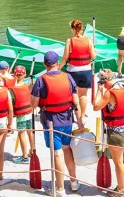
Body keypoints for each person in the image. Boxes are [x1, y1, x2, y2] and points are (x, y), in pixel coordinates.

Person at [30, 51, 83, 197]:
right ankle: (74, 182)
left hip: (51, 122)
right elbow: (76, 101)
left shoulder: (41, 80)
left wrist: (32, 94)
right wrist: (79, 122)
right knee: (67, 149)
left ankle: (60, 189)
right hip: (67, 119)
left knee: (57, 153)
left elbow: (33, 104)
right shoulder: (68, 77)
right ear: (58, 63)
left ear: (44, 65)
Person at [93, 69, 124, 196]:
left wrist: (98, 91)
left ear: (104, 81)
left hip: (117, 132)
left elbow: (96, 106)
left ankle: (120, 189)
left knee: (118, 161)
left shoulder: (109, 94)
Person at [60, 19, 97, 121]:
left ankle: (74, 115)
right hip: (86, 71)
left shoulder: (69, 41)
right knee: (83, 95)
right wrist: (95, 51)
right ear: (81, 29)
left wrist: (59, 68)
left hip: (73, 71)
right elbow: (93, 56)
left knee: (73, 94)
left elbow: (65, 57)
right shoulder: (88, 40)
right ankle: (82, 116)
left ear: (73, 29)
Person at [11, 65, 32, 164]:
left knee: (21, 134)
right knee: (30, 132)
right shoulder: (28, 86)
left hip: (21, 115)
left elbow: (12, 103)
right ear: (24, 75)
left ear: (15, 75)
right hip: (29, 112)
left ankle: (25, 156)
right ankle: (33, 150)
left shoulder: (12, 89)